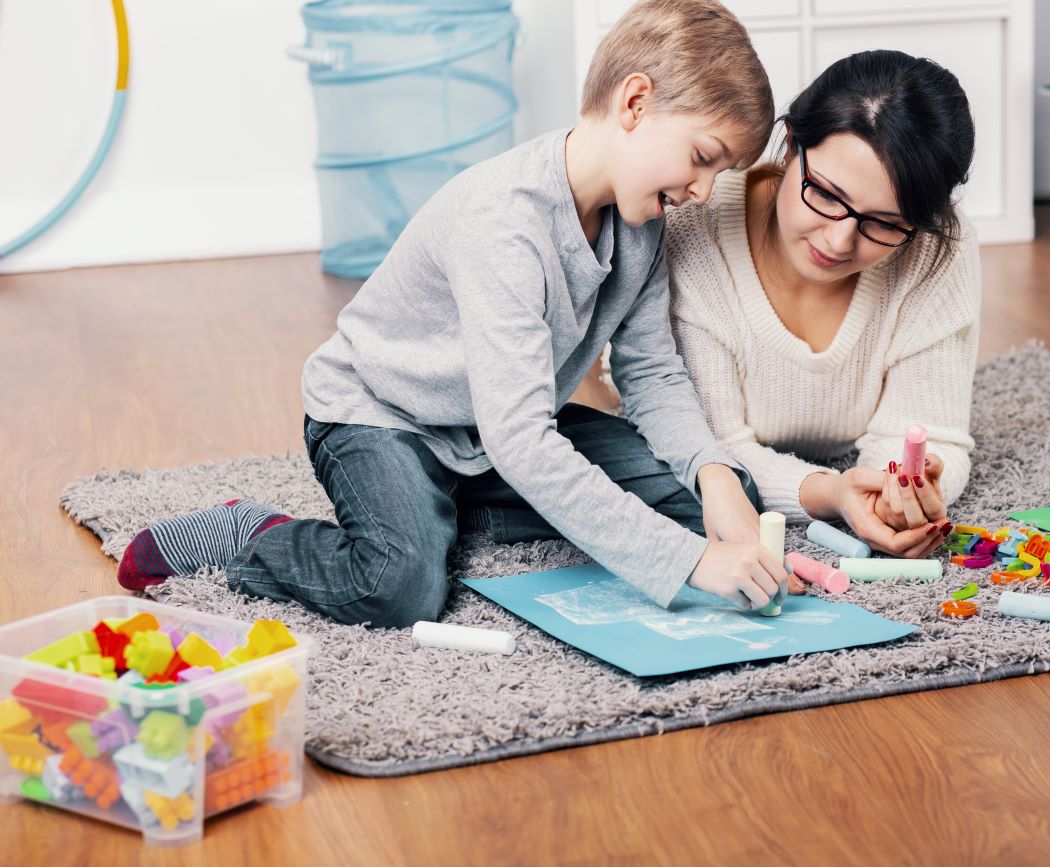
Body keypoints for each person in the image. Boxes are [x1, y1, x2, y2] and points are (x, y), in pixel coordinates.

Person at [115, 0, 787, 627]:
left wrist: (713, 474)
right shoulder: (503, 223)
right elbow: (523, 439)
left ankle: (451, 510)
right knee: (399, 583)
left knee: (709, 499)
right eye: (702, 158)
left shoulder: (642, 229)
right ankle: (253, 533)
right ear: (635, 102)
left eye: (720, 174)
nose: (702, 193)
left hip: (488, 432)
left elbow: (653, 376)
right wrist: (689, 562)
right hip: (382, 417)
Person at [666, 49, 979, 559]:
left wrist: (897, 493)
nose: (838, 242)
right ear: (791, 145)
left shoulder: (936, 248)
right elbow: (710, 452)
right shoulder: (695, 222)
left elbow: (932, 432)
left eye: (885, 223)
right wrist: (831, 493)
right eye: (827, 195)